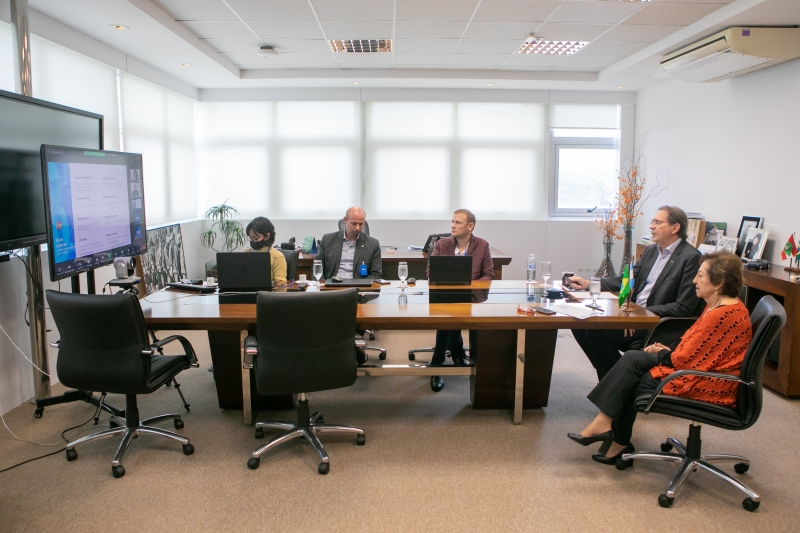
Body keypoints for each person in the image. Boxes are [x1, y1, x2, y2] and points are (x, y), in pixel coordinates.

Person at [567, 252, 752, 465]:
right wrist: (666, 350)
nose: (695, 280)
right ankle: (610, 430)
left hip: (708, 381)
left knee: (632, 373)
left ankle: (615, 436)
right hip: (698, 368)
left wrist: (663, 352)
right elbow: (697, 350)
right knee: (633, 360)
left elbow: (686, 359)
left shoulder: (720, 314)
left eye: (700, 276)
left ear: (719, 282)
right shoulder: (721, 306)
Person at [569, 205, 704, 381]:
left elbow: (683, 307)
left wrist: (638, 314)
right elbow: (625, 280)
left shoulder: (690, 257)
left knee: (596, 334)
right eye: (652, 221)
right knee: (581, 323)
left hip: (655, 324)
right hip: (633, 314)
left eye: (657, 222)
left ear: (675, 228)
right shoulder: (650, 251)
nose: (651, 226)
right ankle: (615, 380)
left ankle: (617, 382)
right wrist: (590, 283)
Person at [425, 209, 493, 391]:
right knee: (449, 315)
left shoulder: (482, 245)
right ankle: (457, 354)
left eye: (458, 222)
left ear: (470, 226)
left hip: (471, 297)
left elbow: (488, 275)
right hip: (445, 296)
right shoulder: (441, 245)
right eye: (452, 221)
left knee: (447, 320)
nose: (452, 226)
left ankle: (437, 363)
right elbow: (430, 273)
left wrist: (469, 286)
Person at [317, 207, 382, 280]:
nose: (357, 228)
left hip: (358, 287)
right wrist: (323, 286)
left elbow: (376, 274)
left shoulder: (373, 244)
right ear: (345, 220)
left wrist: (360, 285)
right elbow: (316, 268)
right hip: (332, 286)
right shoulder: (328, 240)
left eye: (361, 224)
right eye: (354, 223)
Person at [243, 216, 287, 285]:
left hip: (268, 294)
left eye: (256, 238)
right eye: (250, 238)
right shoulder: (245, 253)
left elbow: (281, 284)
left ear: (267, 236)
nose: (252, 241)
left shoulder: (277, 256)